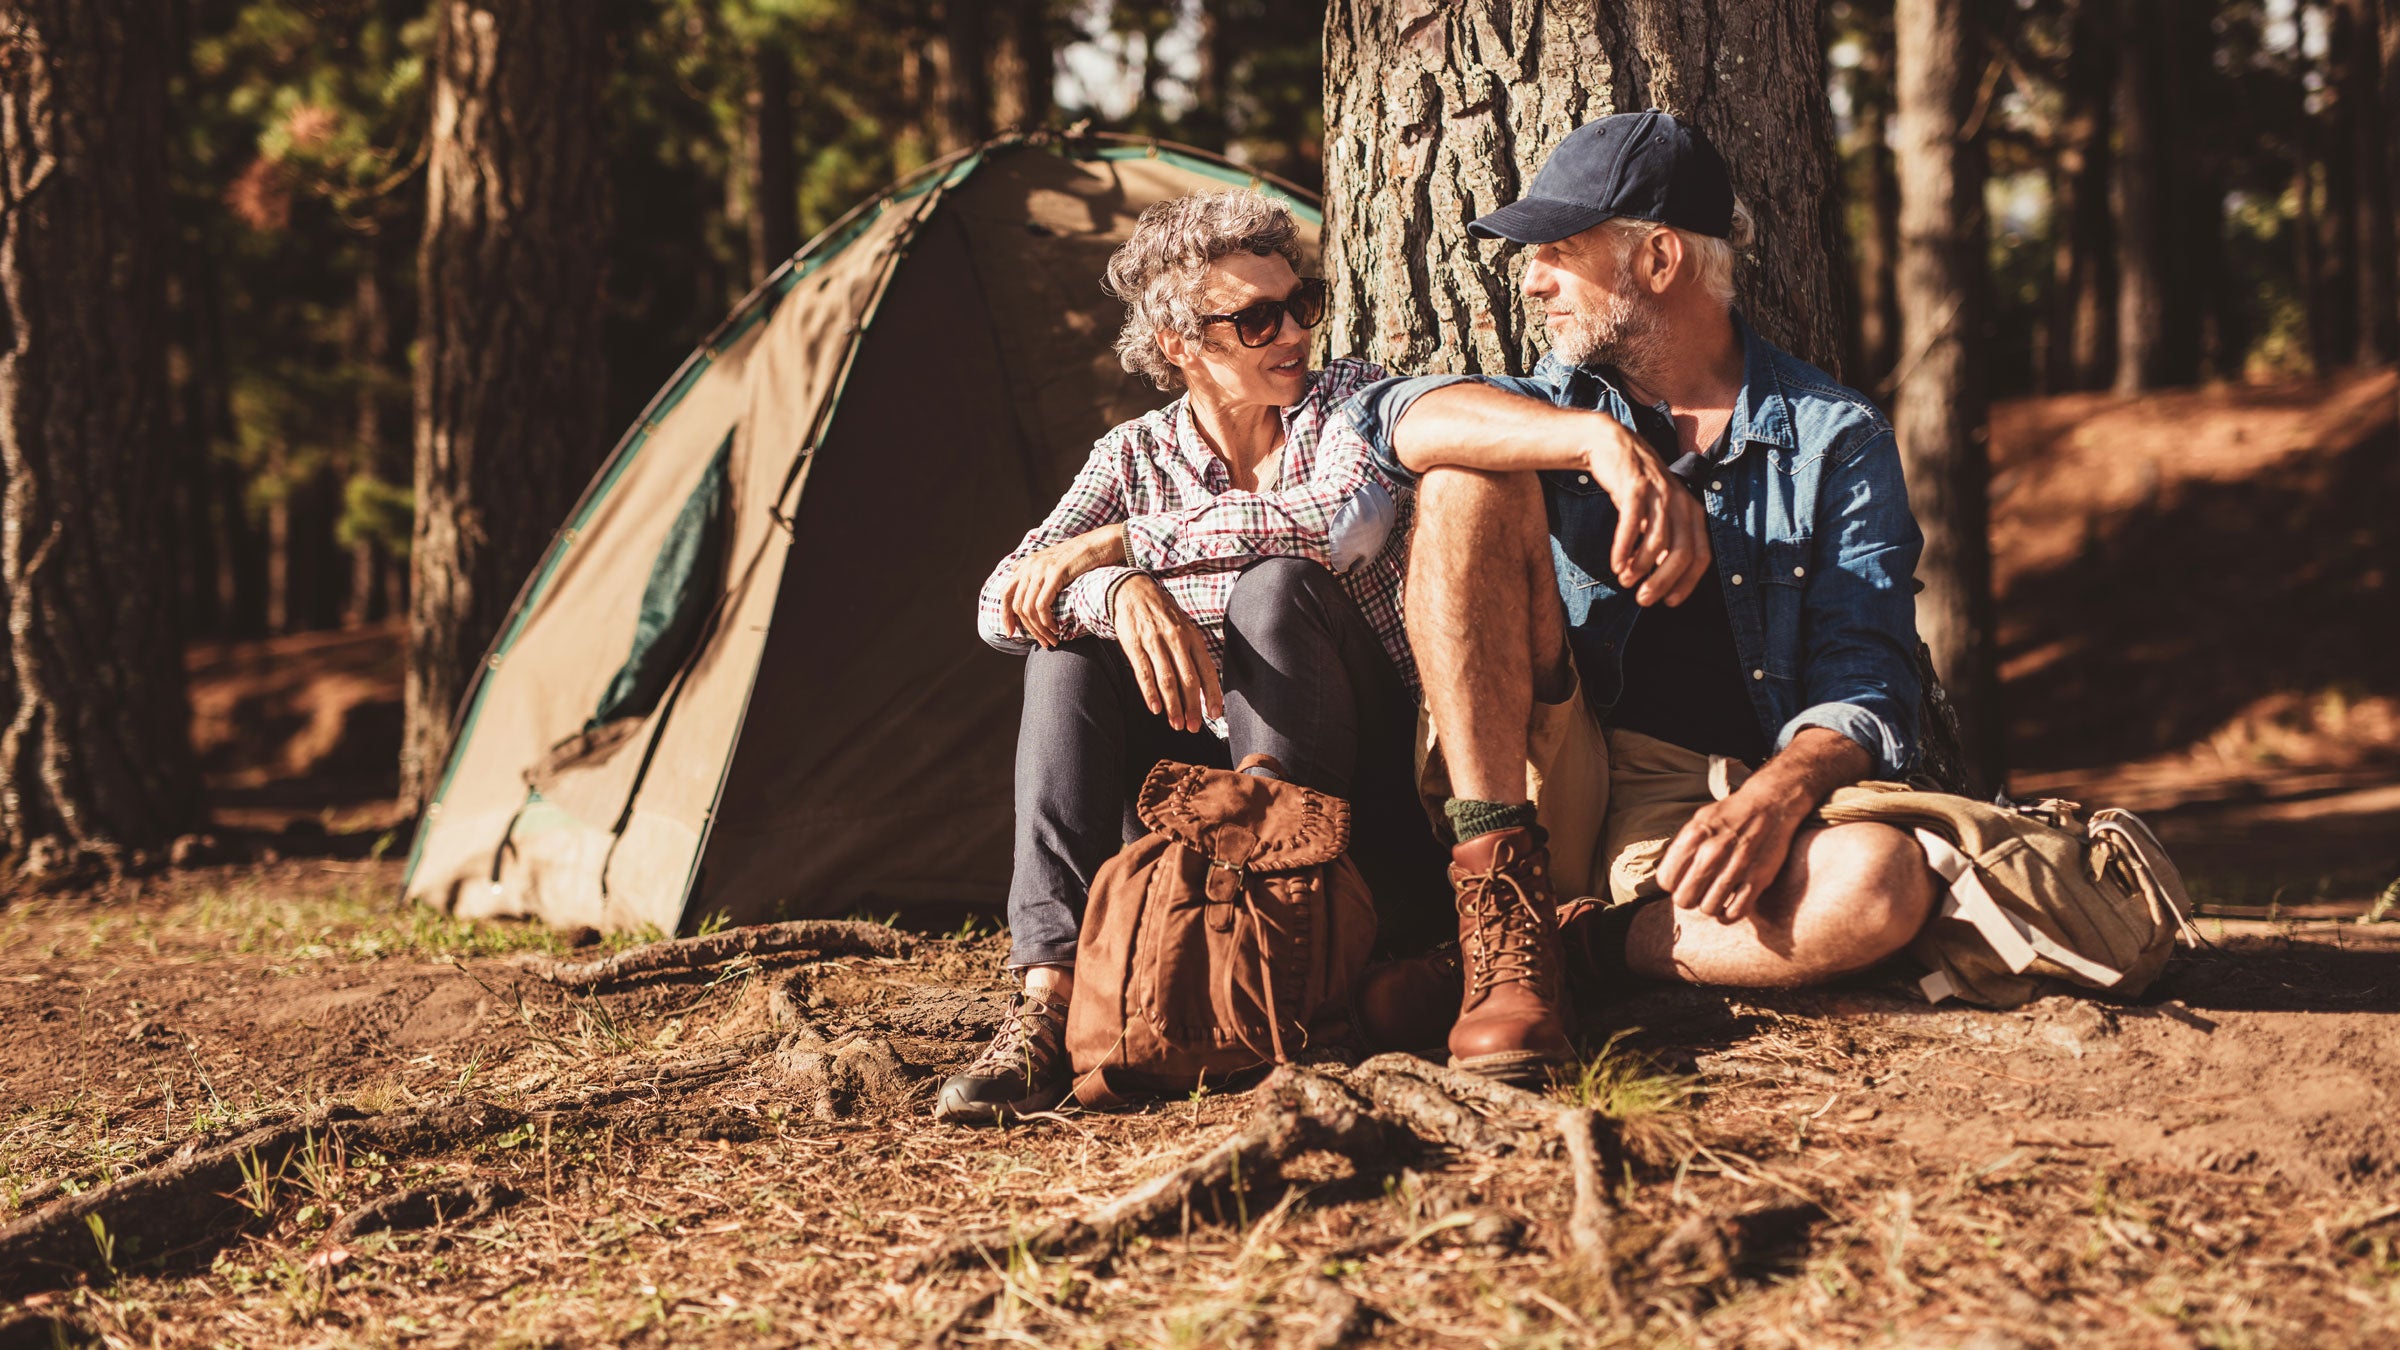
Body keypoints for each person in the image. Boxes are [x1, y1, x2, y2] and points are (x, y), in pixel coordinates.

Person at [1347, 110, 1937, 1084]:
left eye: (1559, 254)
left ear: (1658, 260)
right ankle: (1500, 916)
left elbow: (1870, 674)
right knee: (1462, 479)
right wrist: (1598, 447)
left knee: (1877, 885)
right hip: (1536, 764)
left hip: (1692, 807)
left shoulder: (1836, 439)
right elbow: (1390, 420)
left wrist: (1780, 791)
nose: (1530, 281)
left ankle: (1578, 953)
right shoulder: (1553, 408)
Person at [936, 189, 1442, 1125]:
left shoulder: (1349, 402)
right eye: (1255, 319)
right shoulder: (1134, 453)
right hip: (1200, 801)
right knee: (1066, 653)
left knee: (1275, 588)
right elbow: (999, 603)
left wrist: (1126, 546)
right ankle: (1046, 1003)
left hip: (1354, 801)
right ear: (1181, 346)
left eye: (1303, 303)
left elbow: (1339, 526)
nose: (1292, 331)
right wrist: (1115, 593)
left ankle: (1284, 959)